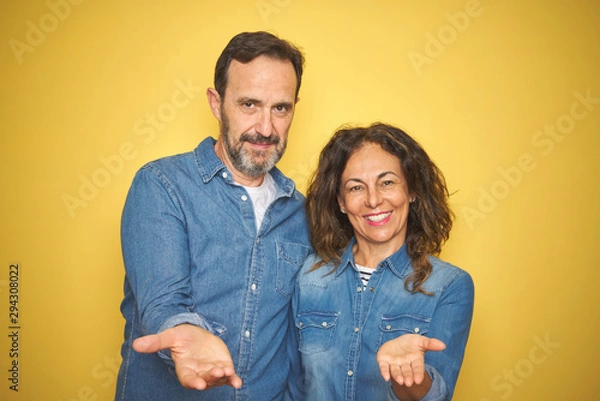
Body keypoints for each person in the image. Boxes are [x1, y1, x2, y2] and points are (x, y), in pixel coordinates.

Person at [115, 31, 311, 401]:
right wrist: (185, 332)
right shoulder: (161, 185)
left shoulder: (301, 213)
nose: (266, 129)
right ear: (217, 103)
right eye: (249, 104)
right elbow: (163, 303)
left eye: (280, 108)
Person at [293, 123, 474, 400]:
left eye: (387, 182)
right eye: (356, 188)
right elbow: (294, 386)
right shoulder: (310, 276)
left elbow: (437, 396)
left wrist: (408, 378)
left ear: (411, 191)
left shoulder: (449, 286)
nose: (374, 200)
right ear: (341, 202)